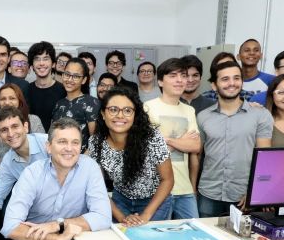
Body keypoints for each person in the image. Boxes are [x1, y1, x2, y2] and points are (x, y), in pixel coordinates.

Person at [196, 60, 273, 217]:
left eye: (236, 78)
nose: (232, 83)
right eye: (225, 79)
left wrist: (255, 191)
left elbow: (265, 158)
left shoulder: (260, 115)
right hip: (209, 192)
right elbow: (197, 155)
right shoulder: (203, 116)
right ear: (214, 85)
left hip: (243, 195)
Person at [90, 86, 174, 223]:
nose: (120, 115)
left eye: (127, 111)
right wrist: (121, 217)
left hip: (154, 201)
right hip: (120, 201)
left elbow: (168, 180)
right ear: (103, 114)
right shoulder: (95, 142)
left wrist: (145, 216)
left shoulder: (151, 137)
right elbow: (97, 187)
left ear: (135, 115)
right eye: (113, 109)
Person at [143, 58, 201, 219]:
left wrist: (166, 140)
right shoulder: (147, 107)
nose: (180, 80)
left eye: (183, 75)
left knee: (193, 232)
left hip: (185, 188)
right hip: (157, 188)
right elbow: (148, 149)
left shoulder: (189, 110)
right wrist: (182, 140)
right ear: (160, 81)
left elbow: (195, 146)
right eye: (173, 75)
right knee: (157, 237)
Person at [0, 106, 49, 219]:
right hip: (38, 218)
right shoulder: (7, 163)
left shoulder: (47, 143)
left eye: (15, 126)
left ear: (25, 127)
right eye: (4, 130)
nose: (10, 134)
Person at [51, 58, 100, 152]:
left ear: (84, 80)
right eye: (67, 74)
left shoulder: (91, 103)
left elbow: (96, 141)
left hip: (81, 160)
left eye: (76, 76)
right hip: (59, 157)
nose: (70, 79)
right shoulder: (59, 104)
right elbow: (53, 134)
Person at [0, 83, 44, 162]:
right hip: (7, 171)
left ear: (19, 100)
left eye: (12, 98)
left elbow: (43, 148)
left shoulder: (33, 120)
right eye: (3, 99)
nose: (7, 102)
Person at [27, 41, 66, 130]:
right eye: (37, 59)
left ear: (53, 64)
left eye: (46, 59)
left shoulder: (63, 90)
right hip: (32, 141)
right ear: (32, 66)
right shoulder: (26, 90)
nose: (41, 63)